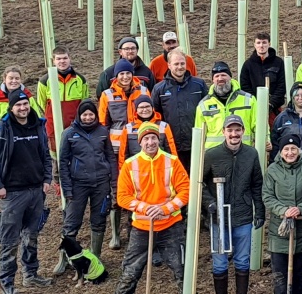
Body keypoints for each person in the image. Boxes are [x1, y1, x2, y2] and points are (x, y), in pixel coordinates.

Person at [100, 122, 201, 294]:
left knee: (182, 269)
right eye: (146, 138)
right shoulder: (130, 164)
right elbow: (123, 197)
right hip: (141, 228)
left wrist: (165, 208)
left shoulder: (172, 162)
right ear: (140, 143)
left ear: (159, 140)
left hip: (170, 226)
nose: (150, 141)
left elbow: (186, 191)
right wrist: (145, 208)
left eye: (153, 138)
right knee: (129, 271)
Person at [0, 90, 57, 294]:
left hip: (35, 190)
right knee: (9, 240)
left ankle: (30, 274)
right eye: (18, 105)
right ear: (11, 108)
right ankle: (7, 284)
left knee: (32, 235)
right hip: (12, 193)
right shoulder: (0, 130)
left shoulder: (38, 125)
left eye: (25, 104)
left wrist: (47, 178)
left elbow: (44, 155)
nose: (23, 108)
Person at [201, 115, 265, 294]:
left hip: (243, 214)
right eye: (230, 130)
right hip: (219, 217)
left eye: (238, 130)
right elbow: (199, 183)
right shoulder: (212, 155)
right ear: (224, 132)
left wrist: (259, 210)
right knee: (219, 262)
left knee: (242, 260)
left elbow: (257, 184)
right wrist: (209, 204)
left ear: (243, 132)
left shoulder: (251, 154)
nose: (234, 134)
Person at [54, 104, 116, 276]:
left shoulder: (103, 131)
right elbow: (63, 163)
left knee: (99, 220)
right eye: (84, 115)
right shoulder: (69, 133)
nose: (88, 118)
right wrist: (67, 189)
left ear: (95, 115)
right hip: (77, 184)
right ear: (79, 115)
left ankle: (95, 256)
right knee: (71, 223)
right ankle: (65, 258)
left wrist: (113, 182)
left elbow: (110, 156)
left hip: (101, 183)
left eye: (91, 115)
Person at [261, 133, 302, 294]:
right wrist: (283, 210)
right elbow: (267, 196)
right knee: (280, 270)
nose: (290, 152)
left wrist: (299, 209)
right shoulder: (273, 170)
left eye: (293, 149)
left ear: (299, 150)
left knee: (299, 269)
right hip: (280, 229)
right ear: (281, 151)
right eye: (286, 149)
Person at [100, 60, 151, 249]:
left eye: (128, 73)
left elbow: (149, 114)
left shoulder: (144, 91)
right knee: (116, 188)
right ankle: (115, 233)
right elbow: (103, 123)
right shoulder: (107, 95)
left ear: (132, 74)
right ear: (116, 76)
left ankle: (136, 227)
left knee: (138, 186)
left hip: (138, 146)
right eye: (121, 74)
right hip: (114, 149)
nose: (125, 77)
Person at [151, 46, 207, 161]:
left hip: (196, 142)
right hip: (171, 144)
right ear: (169, 65)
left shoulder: (199, 85)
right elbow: (155, 116)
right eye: (176, 64)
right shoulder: (159, 89)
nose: (180, 67)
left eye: (182, 63)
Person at [33, 48, 88, 146]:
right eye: (58, 59)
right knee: (53, 148)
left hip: (74, 123)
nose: (62, 61)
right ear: (53, 61)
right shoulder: (45, 80)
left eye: (65, 58)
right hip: (52, 123)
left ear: (69, 59)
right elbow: (41, 103)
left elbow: (84, 101)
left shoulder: (80, 79)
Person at [196, 61, 255, 150]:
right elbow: (199, 134)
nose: (220, 79)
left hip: (242, 151)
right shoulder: (203, 105)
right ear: (213, 80)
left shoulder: (249, 100)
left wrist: (266, 141)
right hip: (214, 155)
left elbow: (258, 125)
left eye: (223, 75)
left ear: (230, 77)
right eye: (216, 76)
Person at [239, 32, 288, 118]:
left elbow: (282, 85)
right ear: (254, 45)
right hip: (253, 108)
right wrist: (256, 102)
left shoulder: (278, 62)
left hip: (274, 109)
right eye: (258, 43)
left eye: (264, 42)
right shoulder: (248, 64)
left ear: (269, 44)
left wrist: (271, 103)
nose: (261, 46)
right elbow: (245, 86)